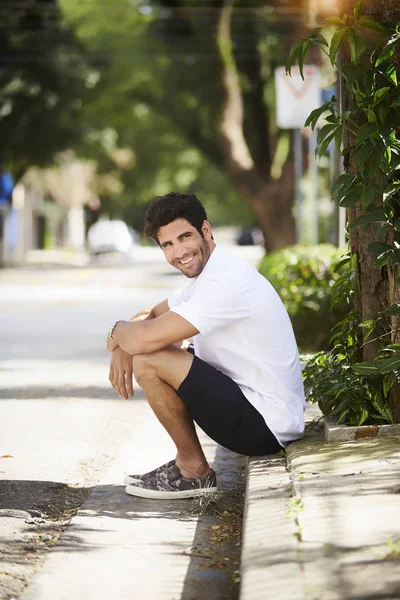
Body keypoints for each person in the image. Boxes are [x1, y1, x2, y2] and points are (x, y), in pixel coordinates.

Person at [107, 192, 305, 500]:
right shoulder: (207, 278)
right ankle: (186, 463)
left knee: (148, 359)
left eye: (184, 237)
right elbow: (152, 315)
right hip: (251, 407)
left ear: (206, 230)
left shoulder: (226, 283)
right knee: (147, 348)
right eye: (167, 245)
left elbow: (142, 338)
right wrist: (122, 344)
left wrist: (118, 331)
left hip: (264, 423)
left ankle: (193, 470)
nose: (178, 252)